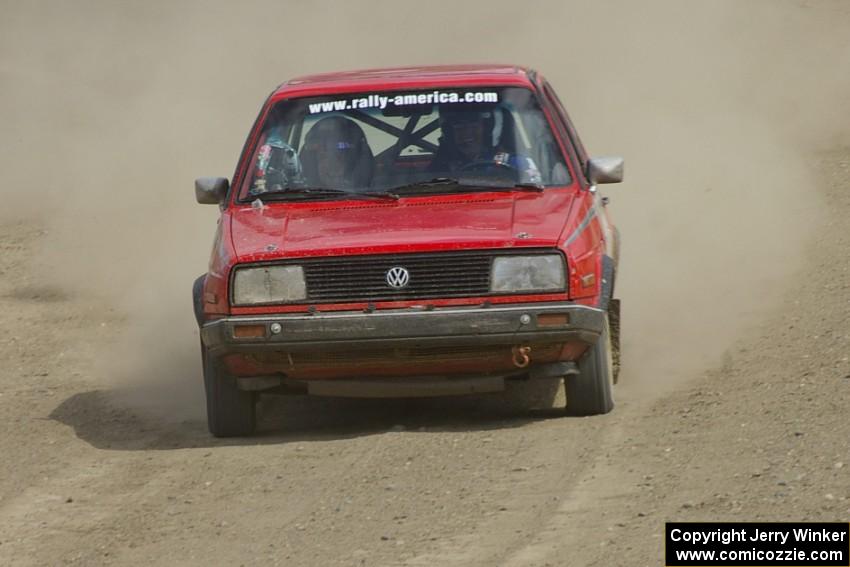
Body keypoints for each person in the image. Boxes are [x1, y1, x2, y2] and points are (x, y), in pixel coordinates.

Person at [429, 105, 542, 185]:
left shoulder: (514, 161)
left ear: (487, 129)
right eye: (459, 128)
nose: (467, 134)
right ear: (449, 133)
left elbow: (536, 187)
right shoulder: (441, 167)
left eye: (474, 126)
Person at [300, 116, 374, 190]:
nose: (330, 164)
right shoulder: (297, 192)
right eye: (322, 157)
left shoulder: (380, 188)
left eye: (337, 156)